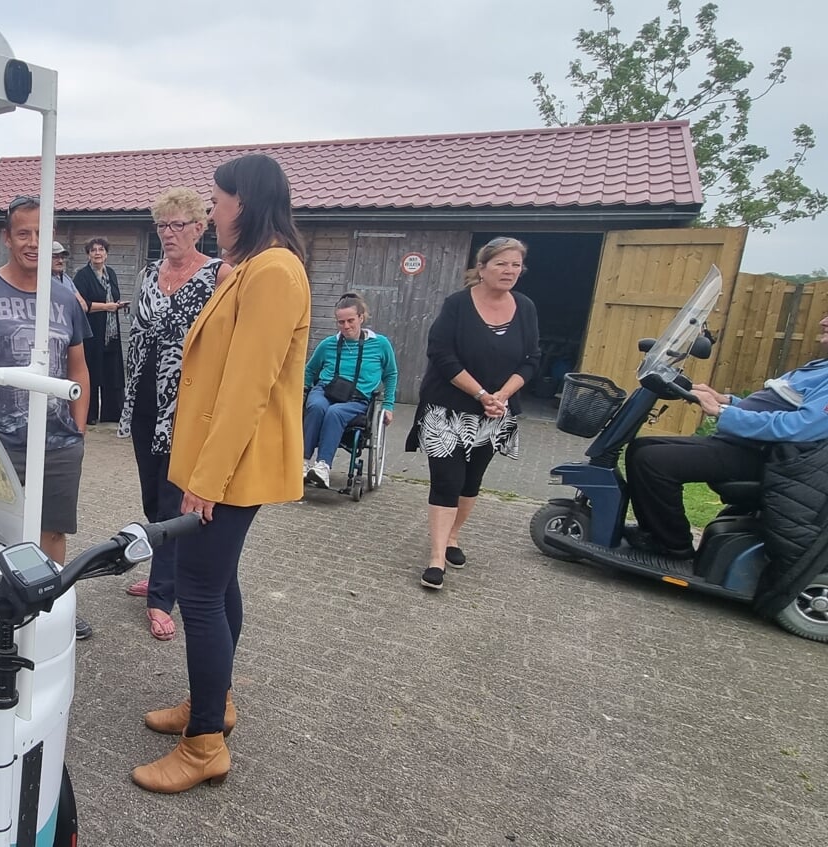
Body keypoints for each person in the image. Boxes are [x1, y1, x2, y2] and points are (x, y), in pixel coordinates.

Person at [132, 155, 310, 793]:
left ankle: (205, 741)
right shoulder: (253, 270)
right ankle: (218, 700)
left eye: (217, 201)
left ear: (246, 202)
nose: (212, 213)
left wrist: (204, 479)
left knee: (202, 594)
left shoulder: (274, 273)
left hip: (231, 467)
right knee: (219, 580)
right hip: (220, 461)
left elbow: (246, 388)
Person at [626, 286, 828, 558]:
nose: (824, 322)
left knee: (653, 459)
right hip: (760, 447)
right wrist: (728, 401)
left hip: (780, 460)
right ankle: (655, 533)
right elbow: (790, 402)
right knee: (641, 448)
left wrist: (725, 414)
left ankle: (671, 545)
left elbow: (803, 427)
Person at [0, 197, 95, 640]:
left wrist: (80, 428)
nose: (33, 243)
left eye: (41, 234)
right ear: (7, 238)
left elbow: (79, 368)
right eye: (24, 233)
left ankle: (51, 610)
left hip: (57, 440)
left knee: (51, 529)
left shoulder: (66, 299)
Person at [117, 187, 232, 640]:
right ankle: (170, 570)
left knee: (172, 496)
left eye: (177, 225)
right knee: (152, 493)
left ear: (199, 228)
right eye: (162, 225)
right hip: (145, 396)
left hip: (187, 402)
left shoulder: (220, 275)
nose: (168, 233)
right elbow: (140, 333)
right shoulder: (149, 273)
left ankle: (163, 595)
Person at [407, 237, 540, 589]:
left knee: (471, 482)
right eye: (501, 264)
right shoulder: (457, 305)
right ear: (481, 268)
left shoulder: (525, 307)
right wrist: (481, 393)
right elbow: (441, 353)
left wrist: (502, 396)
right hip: (448, 409)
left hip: (496, 411)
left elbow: (531, 360)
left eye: (515, 264)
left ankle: (453, 537)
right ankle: (436, 558)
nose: (509, 270)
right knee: (447, 481)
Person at [302, 292, 399, 489]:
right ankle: (301, 462)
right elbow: (310, 370)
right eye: (341, 322)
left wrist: (388, 405)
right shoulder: (328, 344)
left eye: (350, 321)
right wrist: (302, 390)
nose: (346, 326)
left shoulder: (380, 344)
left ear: (361, 318)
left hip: (357, 398)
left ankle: (323, 467)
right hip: (325, 390)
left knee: (335, 412)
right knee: (316, 406)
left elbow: (391, 374)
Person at [72, 237, 128, 424]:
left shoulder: (110, 273)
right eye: (93, 250)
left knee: (112, 373)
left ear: (106, 253)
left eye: (101, 249)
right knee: (93, 371)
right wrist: (106, 307)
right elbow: (83, 305)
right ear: (88, 254)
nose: (97, 253)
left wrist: (117, 305)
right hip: (93, 332)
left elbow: (112, 297)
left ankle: (112, 414)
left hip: (111, 331)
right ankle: (90, 415)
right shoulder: (82, 276)